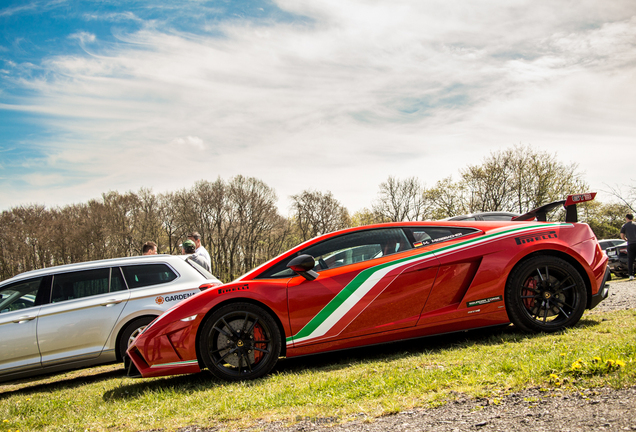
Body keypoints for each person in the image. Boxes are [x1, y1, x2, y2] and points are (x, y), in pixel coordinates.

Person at [620, 214, 636, 281]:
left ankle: (631, 275)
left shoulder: (624, 226)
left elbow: (622, 236)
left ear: (627, 218)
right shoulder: (635, 224)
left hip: (630, 244)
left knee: (630, 260)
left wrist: (626, 239)